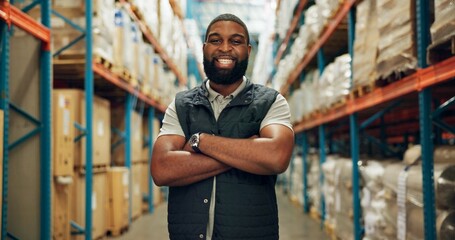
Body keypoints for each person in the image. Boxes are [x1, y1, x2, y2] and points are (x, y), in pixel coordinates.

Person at [151, 13, 295, 240]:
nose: (225, 48)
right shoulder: (181, 105)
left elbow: (276, 156)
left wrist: (201, 141)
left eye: (235, 41)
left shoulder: (271, 102)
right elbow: (161, 169)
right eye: (216, 40)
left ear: (248, 50)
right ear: (204, 48)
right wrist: (247, 152)